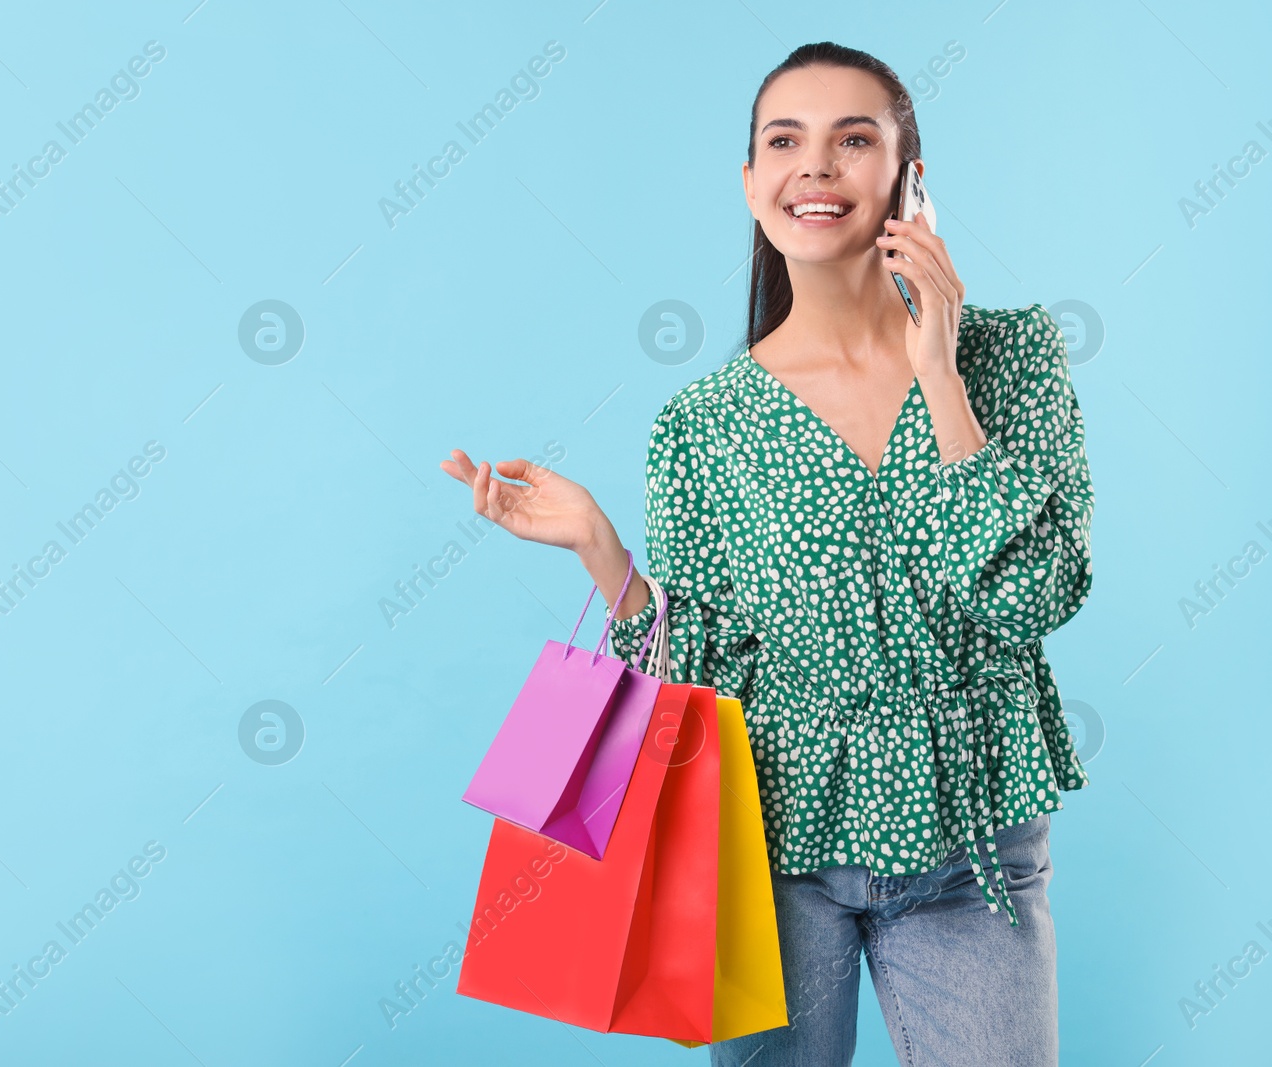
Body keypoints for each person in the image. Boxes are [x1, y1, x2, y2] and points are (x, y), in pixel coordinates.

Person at [440, 40, 1094, 1067]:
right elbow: (694, 671)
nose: (816, 167)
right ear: (750, 183)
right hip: (769, 845)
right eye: (785, 141)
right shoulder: (700, 424)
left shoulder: (1011, 356)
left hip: (971, 847)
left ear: (909, 176)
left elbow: (1031, 596)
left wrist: (939, 369)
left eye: (854, 139)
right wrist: (603, 554)